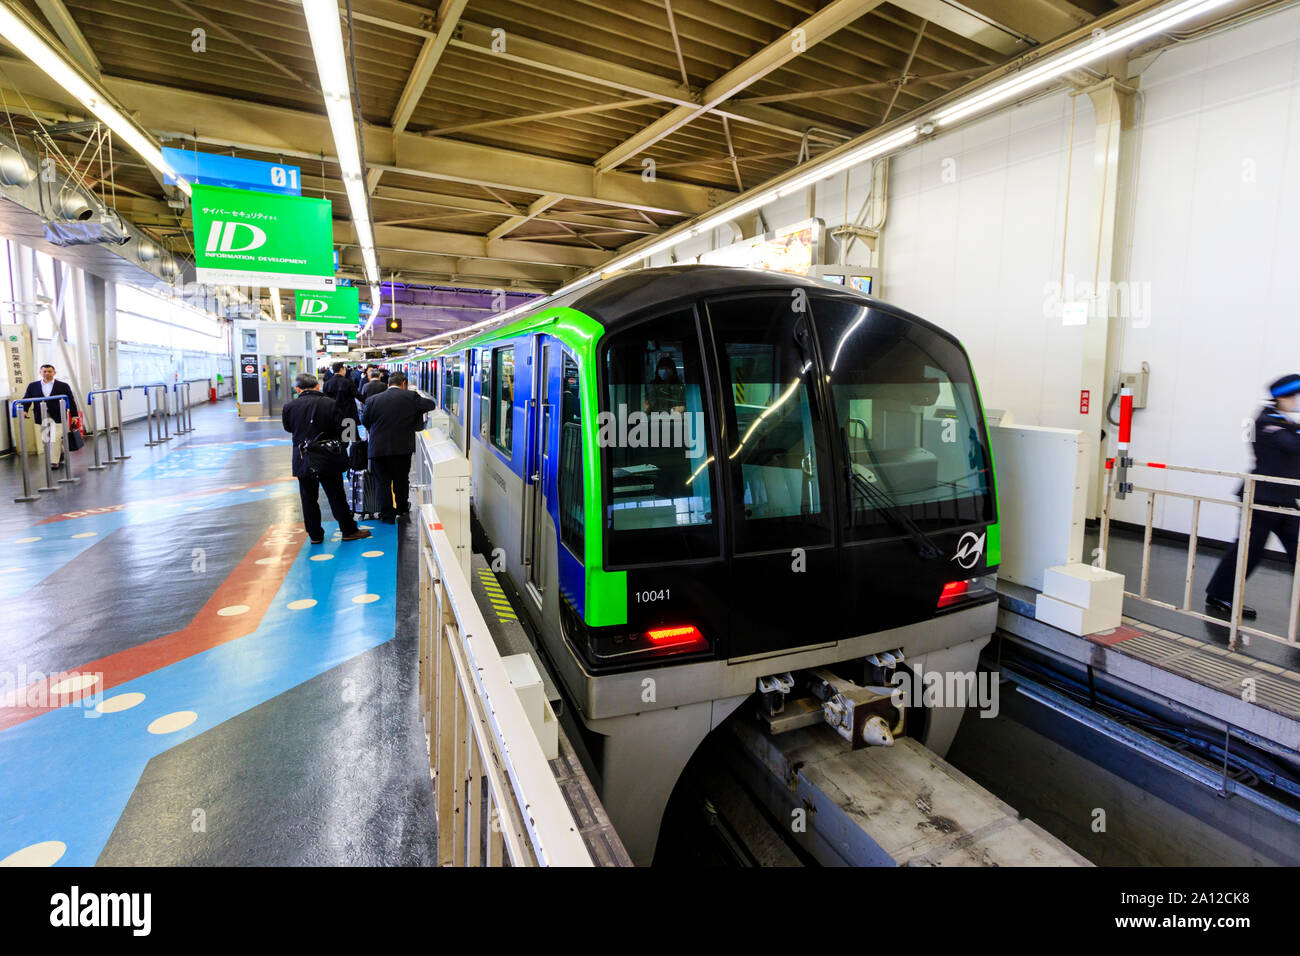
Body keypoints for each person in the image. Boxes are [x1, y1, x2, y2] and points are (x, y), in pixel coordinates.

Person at [1205, 373, 1300, 619]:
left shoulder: (1286, 422)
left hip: (1286, 499)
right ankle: (1220, 595)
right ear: (1282, 397)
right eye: (1294, 396)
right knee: (1248, 551)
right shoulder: (1265, 421)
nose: (1297, 401)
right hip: (1261, 498)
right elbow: (1292, 446)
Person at [282, 371, 371, 545]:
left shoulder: (289, 407)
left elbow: (289, 428)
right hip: (328, 458)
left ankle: (315, 535)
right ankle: (348, 530)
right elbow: (345, 429)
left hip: (303, 458)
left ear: (297, 389)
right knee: (336, 495)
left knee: (308, 499)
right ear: (317, 386)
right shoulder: (330, 404)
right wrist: (341, 446)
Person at [361, 371, 437, 523]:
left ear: (388, 384)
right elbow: (431, 405)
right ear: (404, 384)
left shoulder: (373, 400)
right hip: (402, 448)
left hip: (378, 449)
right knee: (401, 479)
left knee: (382, 482)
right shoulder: (410, 397)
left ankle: (387, 515)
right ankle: (402, 508)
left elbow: (365, 421)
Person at [21, 364, 79, 470]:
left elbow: (70, 400)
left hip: (59, 414)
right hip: (42, 414)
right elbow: (27, 398)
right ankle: (59, 453)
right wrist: (25, 410)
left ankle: (53, 462)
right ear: (40, 373)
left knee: (56, 437)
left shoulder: (63, 385)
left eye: (49, 371)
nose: (47, 373)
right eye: (44, 371)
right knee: (46, 438)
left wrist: (74, 415)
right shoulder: (32, 386)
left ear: (54, 372)